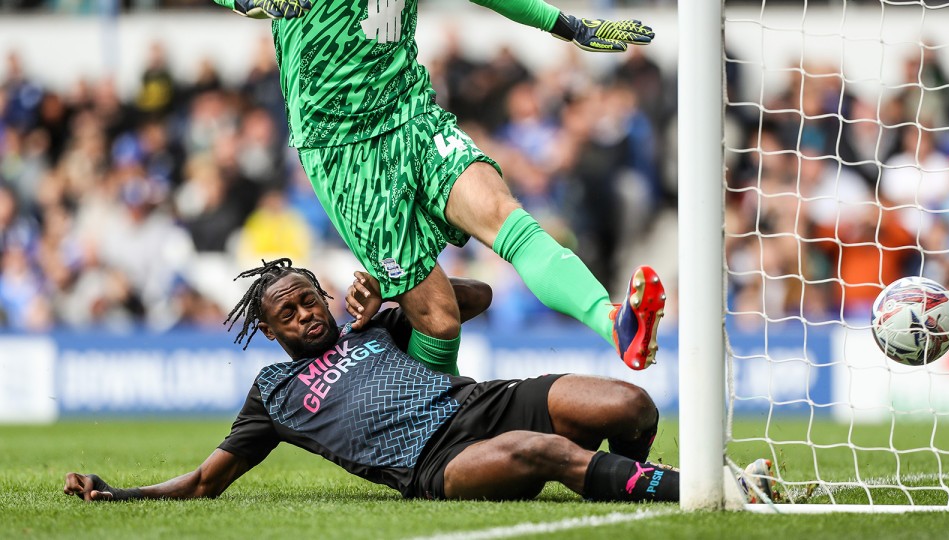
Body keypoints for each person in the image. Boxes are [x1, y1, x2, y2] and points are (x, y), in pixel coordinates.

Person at [64, 259, 770, 504]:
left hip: (484, 400)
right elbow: (203, 483)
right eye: (289, 312)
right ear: (271, 331)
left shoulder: (379, 325)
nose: (307, 314)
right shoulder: (274, 394)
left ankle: (629, 479)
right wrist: (118, 493)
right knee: (544, 453)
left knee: (631, 400)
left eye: (311, 298)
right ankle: (714, 490)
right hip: (437, 462)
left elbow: (480, 301)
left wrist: (399, 296)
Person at [206, 0, 664, 375]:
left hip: (412, 115)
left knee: (502, 211)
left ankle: (614, 324)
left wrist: (570, 25)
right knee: (440, 319)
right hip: (343, 151)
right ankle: (431, 433)